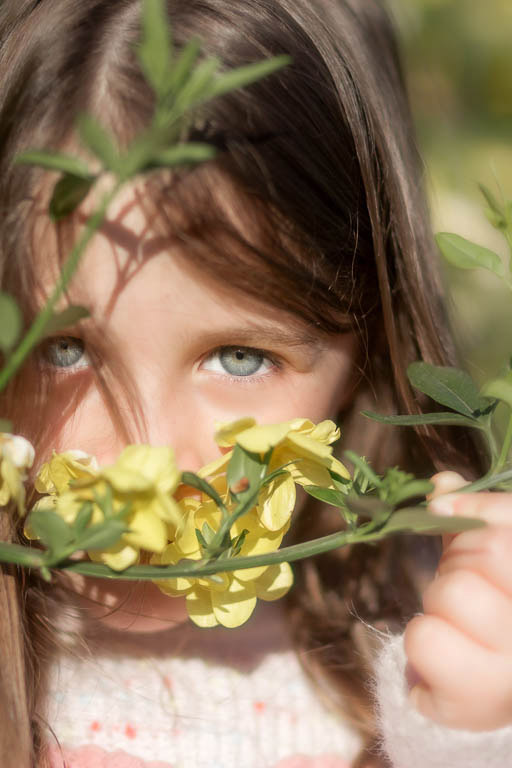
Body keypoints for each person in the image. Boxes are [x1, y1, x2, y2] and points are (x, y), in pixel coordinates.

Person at [0, 0, 511, 766]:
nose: (150, 463)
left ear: (368, 346)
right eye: (63, 349)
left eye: (239, 358)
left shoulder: (438, 642)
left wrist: (468, 734)